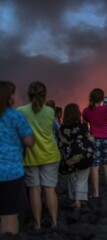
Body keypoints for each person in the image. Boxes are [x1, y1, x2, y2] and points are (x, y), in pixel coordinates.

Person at [17, 81, 61, 230]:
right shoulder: (50, 112)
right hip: (50, 154)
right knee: (49, 189)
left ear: (29, 94)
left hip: (31, 156)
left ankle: (37, 224)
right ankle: (54, 222)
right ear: (44, 95)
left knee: (34, 190)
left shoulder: (21, 111)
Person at [0, 81, 35, 234]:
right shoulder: (15, 116)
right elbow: (29, 141)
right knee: (9, 215)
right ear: (9, 97)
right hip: (10, 172)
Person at [59, 103, 94, 209]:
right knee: (82, 178)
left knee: (72, 178)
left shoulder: (62, 129)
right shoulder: (83, 127)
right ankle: (80, 199)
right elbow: (91, 140)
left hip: (69, 159)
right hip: (84, 157)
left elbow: (60, 144)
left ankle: (74, 198)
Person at [82, 88, 107, 197]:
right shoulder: (106, 109)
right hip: (105, 139)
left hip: (93, 140)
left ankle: (96, 193)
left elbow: (84, 125)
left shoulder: (86, 111)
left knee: (94, 166)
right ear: (102, 99)